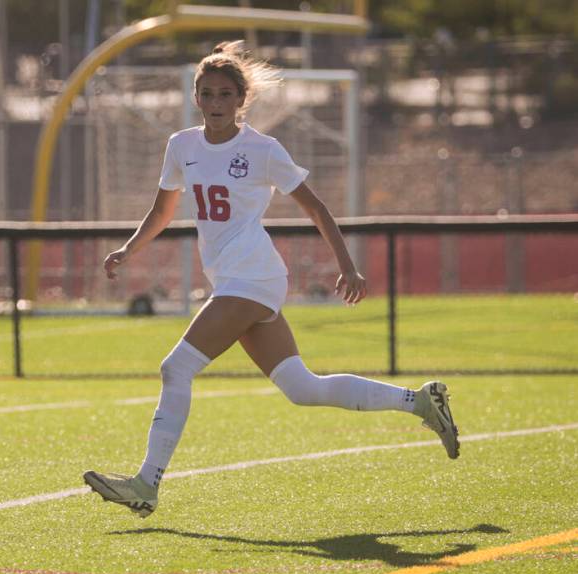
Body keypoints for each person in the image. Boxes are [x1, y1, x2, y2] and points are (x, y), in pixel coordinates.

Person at [83, 42, 459, 519]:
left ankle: (146, 483)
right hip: (234, 282)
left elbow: (316, 208)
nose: (215, 103)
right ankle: (421, 402)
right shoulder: (181, 145)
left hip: (253, 276)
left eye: (224, 94)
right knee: (303, 388)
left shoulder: (262, 149)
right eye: (206, 94)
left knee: (175, 369)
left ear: (241, 99)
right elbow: (162, 212)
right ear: (196, 97)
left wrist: (348, 266)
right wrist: (127, 249)